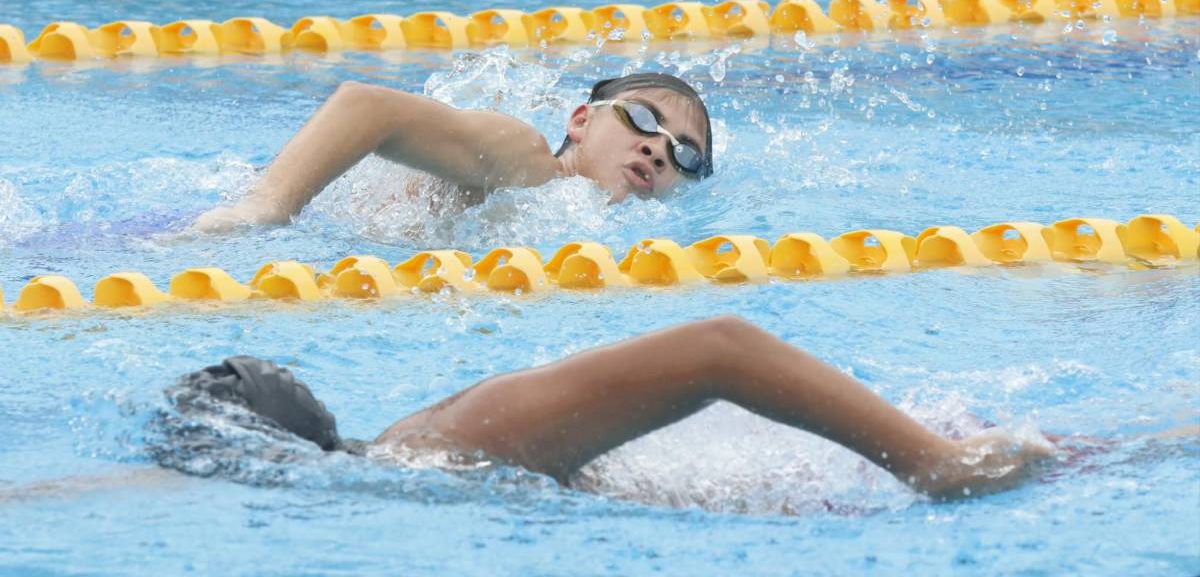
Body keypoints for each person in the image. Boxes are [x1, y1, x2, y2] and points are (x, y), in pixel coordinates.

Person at [161, 316, 1056, 500]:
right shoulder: (406, 467)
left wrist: (933, 463)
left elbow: (721, 348)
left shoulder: (454, 442)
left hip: (861, 468)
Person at [193, 72, 714, 232]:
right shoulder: (528, 162)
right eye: (643, 118)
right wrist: (265, 207)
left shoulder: (580, 225)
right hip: (198, 227)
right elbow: (367, 107)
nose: (659, 148)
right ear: (580, 121)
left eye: (686, 154)